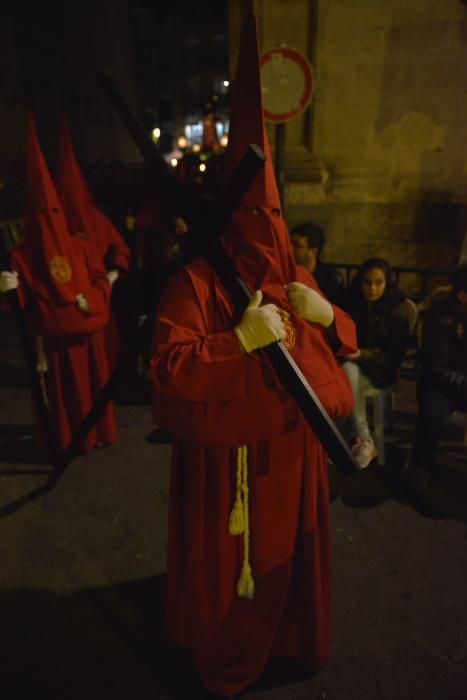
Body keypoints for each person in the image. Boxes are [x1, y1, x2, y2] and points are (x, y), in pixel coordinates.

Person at [150, 11, 356, 699]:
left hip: (290, 456)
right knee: (234, 572)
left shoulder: (291, 277)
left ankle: (292, 637)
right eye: (253, 219)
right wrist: (235, 342)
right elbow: (169, 367)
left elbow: (330, 353)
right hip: (227, 466)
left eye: (274, 221)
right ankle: (231, 646)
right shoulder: (195, 281)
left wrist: (334, 317)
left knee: (284, 565)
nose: (266, 238)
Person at [0, 113, 116, 453]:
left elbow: (99, 278)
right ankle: (68, 438)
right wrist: (7, 287)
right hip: (55, 345)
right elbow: (19, 302)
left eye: (54, 212)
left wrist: (92, 299)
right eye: (42, 215)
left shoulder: (80, 244)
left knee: (92, 386)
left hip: (88, 335)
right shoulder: (22, 255)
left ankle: (98, 433)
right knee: (64, 393)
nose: (49, 222)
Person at [342, 257, 415, 468]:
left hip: (381, 370)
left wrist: (362, 355)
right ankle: (352, 438)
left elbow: (394, 357)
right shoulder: (353, 302)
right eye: (367, 282)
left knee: (347, 374)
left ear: (387, 283)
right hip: (354, 365)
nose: (372, 288)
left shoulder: (398, 311)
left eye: (378, 282)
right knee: (342, 375)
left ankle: (363, 438)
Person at [404, 264, 467, 501]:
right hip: (439, 384)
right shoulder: (440, 316)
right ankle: (419, 468)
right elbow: (436, 369)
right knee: (434, 416)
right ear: (462, 296)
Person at [289, 221, 346, 306]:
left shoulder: (331, 280)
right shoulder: (287, 272)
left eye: (296, 245)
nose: (290, 248)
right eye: (289, 243)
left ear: (313, 251)